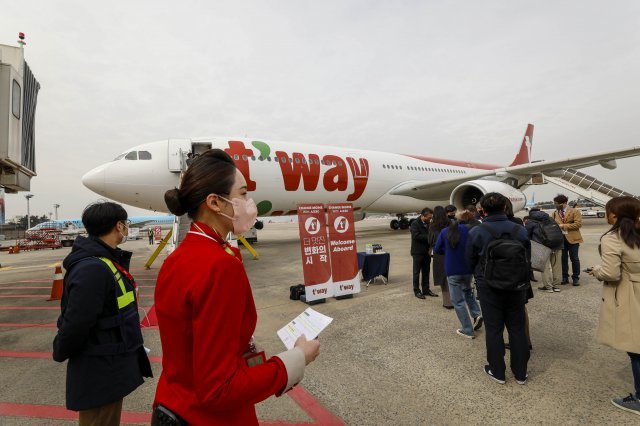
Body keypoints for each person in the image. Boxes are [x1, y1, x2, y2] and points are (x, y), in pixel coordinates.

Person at [153, 149, 320, 425]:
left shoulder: (179, 258)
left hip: (175, 404)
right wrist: (296, 359)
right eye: (242, 194)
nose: (249, 202)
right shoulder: (218, 265)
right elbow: (219, 389)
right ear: (215, 203)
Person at [53, 202, 152, 425]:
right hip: (99, 368)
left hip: (107, 364)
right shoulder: (94, 268)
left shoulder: (104, 261)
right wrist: (60, 350)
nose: (126, 228)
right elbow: (77, 321)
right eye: (125, 224)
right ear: (119, 226)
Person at [466, 192, 530, 385]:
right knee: (517, 329)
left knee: (493, 329)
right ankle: (520, 373)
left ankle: (497, 371)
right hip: (516, 286)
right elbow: (527, 258)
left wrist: (479, 278)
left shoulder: (476, 232)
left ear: (482, 210)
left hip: (489, 287)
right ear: (505, 208)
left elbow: (469, 262)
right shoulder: (520, 230)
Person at [588, 196, 640, 415]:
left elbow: (611, 273)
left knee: (636, 348)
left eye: (608, 211)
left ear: (615, 215)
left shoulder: (613, 238)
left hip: (631, 294)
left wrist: (596, 271)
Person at [434, 217, 483, 338]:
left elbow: (437, 249)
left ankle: (467, 329)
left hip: (452, 269)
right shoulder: (471, 230)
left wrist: (448, 249)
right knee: (468, 292)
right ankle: (477, 313)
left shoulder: (445, 231)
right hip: (468, 268)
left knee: (458, 301)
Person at [526, 208, 562, 293]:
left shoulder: (530, 222)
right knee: (557, 266)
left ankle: (548, 287)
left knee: (545, 268)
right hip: (557, 245)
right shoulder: (550, 219)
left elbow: (526, 235)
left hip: (542, 246)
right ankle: (556, 286)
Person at [552, 194, 583, 285]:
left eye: (557, 203)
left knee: (574, 258)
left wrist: (563, 226)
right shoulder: (555, 213)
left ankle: (575, 278)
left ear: (564, 203)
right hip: (561, 239)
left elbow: (578, 224)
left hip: (573, 238)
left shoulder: (574, 211)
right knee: (563, 259)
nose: (556, 205)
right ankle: (565, 277)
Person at [410, 207, 437, 299]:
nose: (430, 219)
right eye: (429, 217)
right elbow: (416, 236)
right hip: (417, 252)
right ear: (422, 216)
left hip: (426, 252)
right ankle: (417, 291)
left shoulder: (429, 223)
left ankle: (426, 290)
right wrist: (429, 237)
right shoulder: (414, 224)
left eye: (431, 217)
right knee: (416, 272)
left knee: (426, 272)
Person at [429, 206, 453, 308]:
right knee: (451, 276)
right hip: (450, 251)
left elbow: (430, 240)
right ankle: (456, 300)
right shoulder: (450, 223)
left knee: (442, 278)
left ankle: (447, 302)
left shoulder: (432, 225)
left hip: (439, 254)